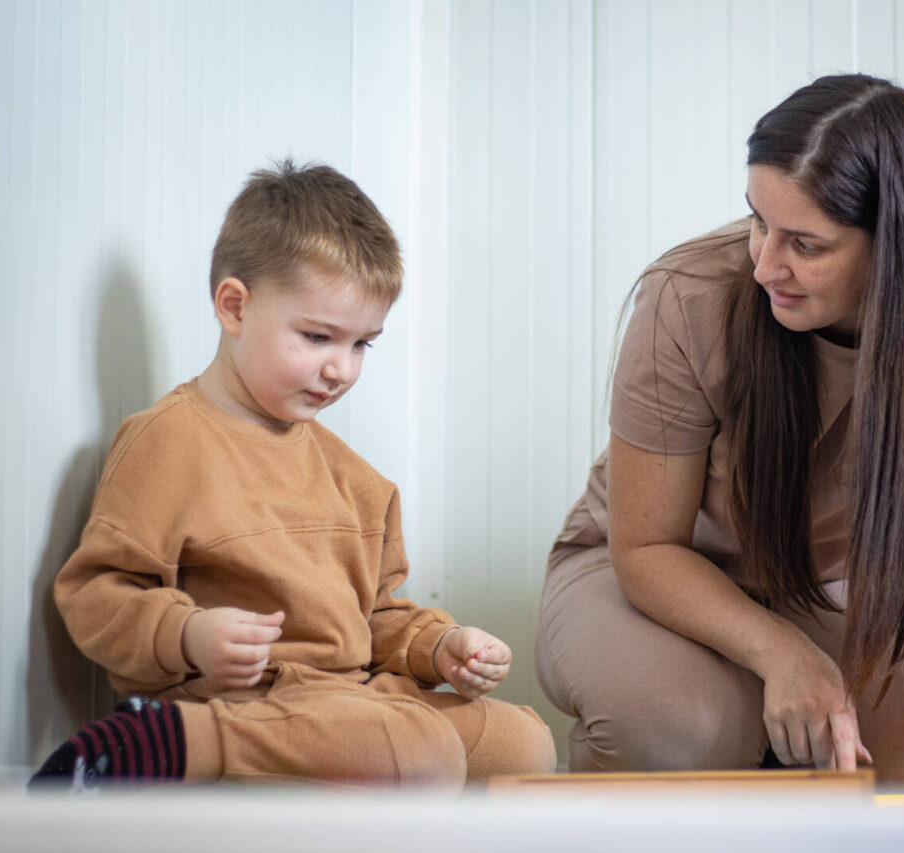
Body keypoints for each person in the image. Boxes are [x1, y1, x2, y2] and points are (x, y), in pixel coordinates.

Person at [535, 74, 904, 790]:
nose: (763, 264)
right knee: (685, 726)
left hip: (817, 589)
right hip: (650, 572)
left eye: (806, 244)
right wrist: (782, 655)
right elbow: (647, 546)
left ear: (897, 246)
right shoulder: (688, 291)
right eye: (757, 221)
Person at [30, 161, 556, 791]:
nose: (341, 369)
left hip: (354, 700)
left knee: (522, 745)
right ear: (234, 307)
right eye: (317, 337)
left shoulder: (356, 480)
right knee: (419, 753)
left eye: (362, 345)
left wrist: (439, 648)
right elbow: (93, 595)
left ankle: (360, 749)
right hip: (243, 702)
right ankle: (174, 743)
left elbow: (376, 619)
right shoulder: (167, 441)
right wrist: (188, 633)